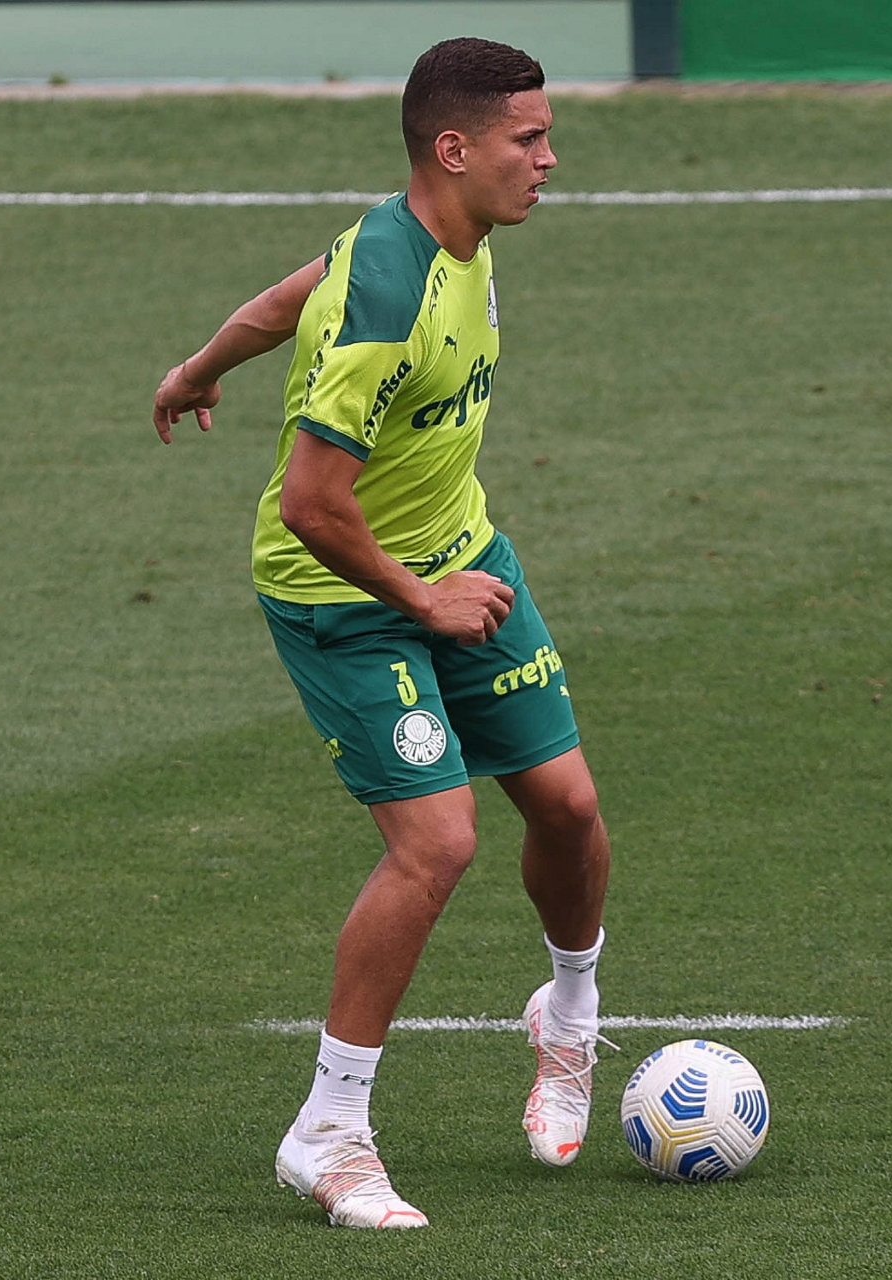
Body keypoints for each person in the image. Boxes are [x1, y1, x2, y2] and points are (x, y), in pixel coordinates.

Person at [152, 37, 612, 1231]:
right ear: (452, 149)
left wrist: (199, 366)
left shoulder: (443, 237)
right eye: (526, 140)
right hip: (345, 595)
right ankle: (327, 1129)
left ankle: (567, 1018)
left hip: (458, 555)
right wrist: (422, 600)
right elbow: (310, 507)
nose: (547, 159)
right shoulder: (389, 295)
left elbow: (285, 297)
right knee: (435, 842)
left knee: (565, 807)